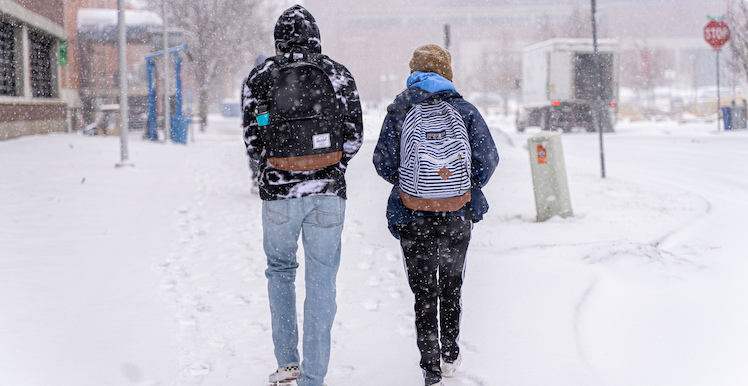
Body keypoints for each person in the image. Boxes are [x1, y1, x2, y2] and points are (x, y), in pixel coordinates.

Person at [241, 5, 363, 386]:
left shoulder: (260, 78)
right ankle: (314, 376)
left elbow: (252, 138)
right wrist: (330, 165)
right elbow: (354, 137)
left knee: (280, 272)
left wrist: (274, 157)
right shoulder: (337, 74)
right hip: (327, 192)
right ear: (316, 36)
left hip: (278, 195)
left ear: (278, 38)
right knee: (322, 280)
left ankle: (287, 362)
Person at [372, 44, 499, 386]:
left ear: (412, 71)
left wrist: (411, 185)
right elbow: (489, 158)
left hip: (413, 213)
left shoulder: (400, 110)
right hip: (458, 212)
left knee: (424, 290)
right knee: (451, 284)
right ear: (448, 72)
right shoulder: (465, 109)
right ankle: (450, 353)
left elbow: (382, 162)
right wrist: (464, 187)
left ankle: (430, 368)